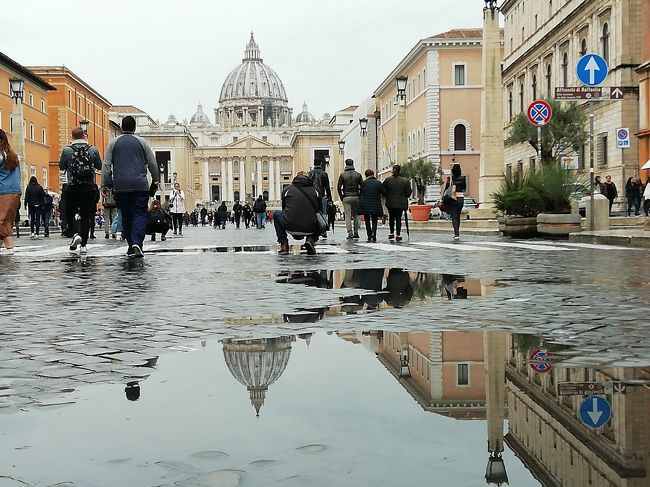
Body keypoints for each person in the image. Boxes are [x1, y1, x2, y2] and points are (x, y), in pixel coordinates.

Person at [101, 116, 159, 258]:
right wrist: (155, 181)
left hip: (121, 186)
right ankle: (137, 243)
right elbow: (152, 163)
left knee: (126, 216)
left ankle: (130, 246)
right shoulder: (142, 142)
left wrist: (107, 183)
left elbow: (106, 165)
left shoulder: (113, 143)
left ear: (121, 127)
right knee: (139, 214)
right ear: (134, 128)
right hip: (140, 185)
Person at [60, 127, 103, 254]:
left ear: (72, 136)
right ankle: (84, 245)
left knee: (69, 212)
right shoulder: (92, 149)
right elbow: (99, 166)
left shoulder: (67, 150)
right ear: (84, 136)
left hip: (72, 187)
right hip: (88, 187)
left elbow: (61, 166)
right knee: (86, 216)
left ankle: (75, 234)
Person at [273, 172, 321, 255]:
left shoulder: (287, 190)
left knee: (276, 214)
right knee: (320, 216)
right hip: (310, 227)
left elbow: (284, 209)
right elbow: (319, 209)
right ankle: (311, 239)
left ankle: (284, 244)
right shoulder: (316, 190)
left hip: (290, 225)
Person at [0, 129, 21, 255]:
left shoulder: (1, 155)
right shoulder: (13, 155)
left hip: (3, 191)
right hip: (15, 191)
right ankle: (6, 247)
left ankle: (9, 247)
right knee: (7, 220)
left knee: (1, 221)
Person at [382, 165, 412, 241]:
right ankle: (398, 234)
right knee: (398, 219)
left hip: (390, 202)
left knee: (391, 218)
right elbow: (408, 193)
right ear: (400, 171)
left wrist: (387, 195)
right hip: (401, 203)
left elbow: (383, 190)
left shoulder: (388, 180)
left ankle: (391, 233)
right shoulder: (405, 181)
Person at [337, 158, 363, 239]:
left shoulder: (342, 175)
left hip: (346, 196)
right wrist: (360, 196)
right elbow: (362, 186)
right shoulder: (358, 175)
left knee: (348, 216)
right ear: (353, 164)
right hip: (356, 196)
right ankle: (356, 232)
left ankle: (350, 233)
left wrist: (342, 197)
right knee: (356, 215)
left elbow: (338, 187)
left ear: (346, 164)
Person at [358, 169, 386, 242]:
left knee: (367, 220)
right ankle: (374, 234)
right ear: (373, 174)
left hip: (365, 204)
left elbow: (360, 194)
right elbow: (384, 192)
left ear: (366, 175)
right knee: (374, 220)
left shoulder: (363, 183)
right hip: (375, 204)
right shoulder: (378, 183)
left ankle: (369, 235)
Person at [444, 162, 467, 240]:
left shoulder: (449, 179)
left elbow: (446, 189)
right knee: (458, 216)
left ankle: (456, 234)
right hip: (460, 198)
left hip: (452, 198)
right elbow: (464, 188)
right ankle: (457, 232)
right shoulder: (463, 178)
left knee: (454, 216)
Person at [308, 159, 332, 227]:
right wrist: (330, 198)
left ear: (314, 163)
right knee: (322, 212)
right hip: (321, 195)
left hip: (312, 196)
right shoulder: (324, 173)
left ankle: (313, 227)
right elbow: (327, 187)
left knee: (312, 211)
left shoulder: (310, 173)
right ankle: (323, 228)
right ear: (321, 163)